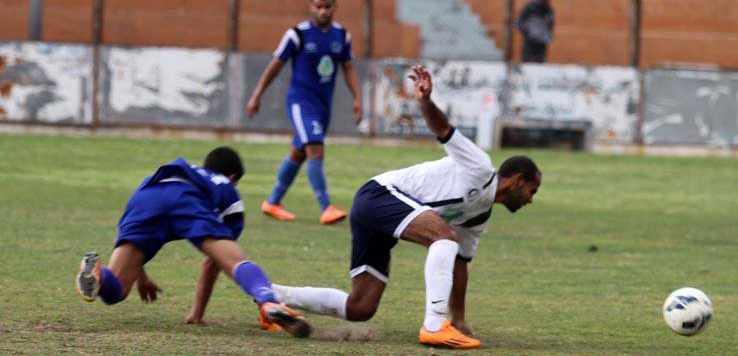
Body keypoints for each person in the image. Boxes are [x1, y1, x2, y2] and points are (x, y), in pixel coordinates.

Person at [269, 66, 542, 348]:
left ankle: (272, 297)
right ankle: (434, 325)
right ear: (518, 180)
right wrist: (425, 102)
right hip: (378, 194)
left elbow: (460, 264)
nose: (530, 200)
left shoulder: (481, 215)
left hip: (379, 217)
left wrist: (459, 318)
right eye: (531, 191)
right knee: (444, 237)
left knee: (361, 307)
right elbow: (444, 130)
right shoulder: (481, 167)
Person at [75, 147, 311, 338]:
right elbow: (213, 263)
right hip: (189, 199)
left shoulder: (189, 171)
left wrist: (141, 275)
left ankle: (97, 274)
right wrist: (196, 314)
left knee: (115, 291)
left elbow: (135, 239)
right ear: (232, 177)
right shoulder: (225, 187)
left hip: (148, 194)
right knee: (236, 261)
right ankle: (269, 303)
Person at [246, 0, 363, 224]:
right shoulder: (297, 34)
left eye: (327, 6)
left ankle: (272, 202)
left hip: (323, 106)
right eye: (318, 6)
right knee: (315, 149)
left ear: (334, 7)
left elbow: (348, 67)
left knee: (299, 153)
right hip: (301, 103)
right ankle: (326, 207)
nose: (323, 11)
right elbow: (276, 64)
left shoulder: (342, 35)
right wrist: (257, 94)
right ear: (311, 7)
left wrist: (357, 98)